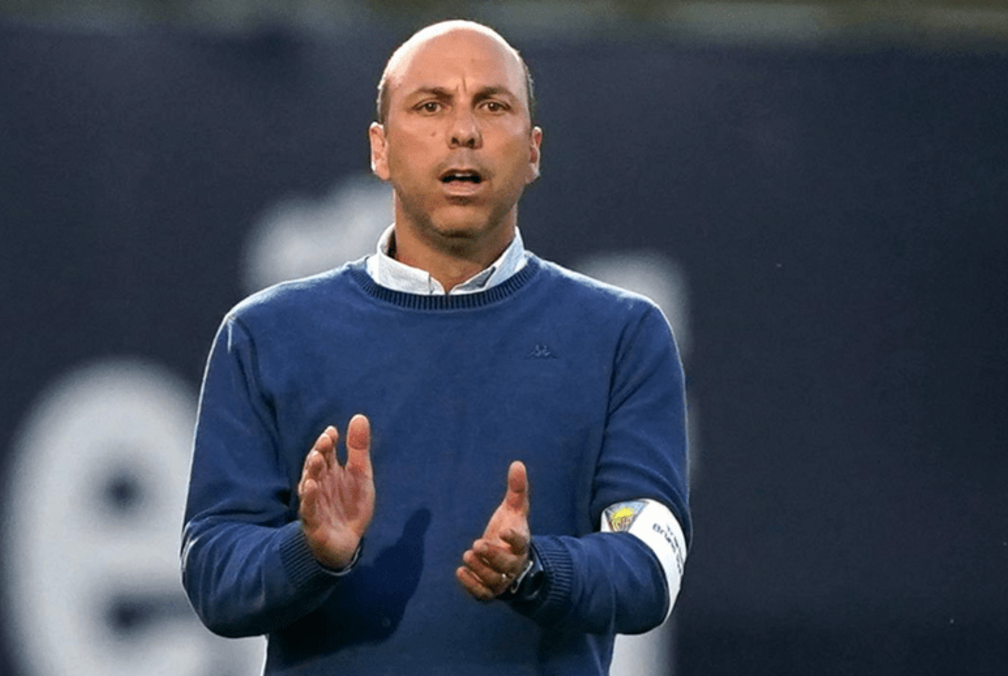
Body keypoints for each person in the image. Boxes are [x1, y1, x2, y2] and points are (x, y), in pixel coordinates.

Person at [181, 19, 691, 675]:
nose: (463, 132)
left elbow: (652, 563)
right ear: (380, 149)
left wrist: (535, 569)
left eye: (493, 106)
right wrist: (310, 552)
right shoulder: (265, 333)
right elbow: (213, 573)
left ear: (533, 151)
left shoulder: (623, 335)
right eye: (430, 106)